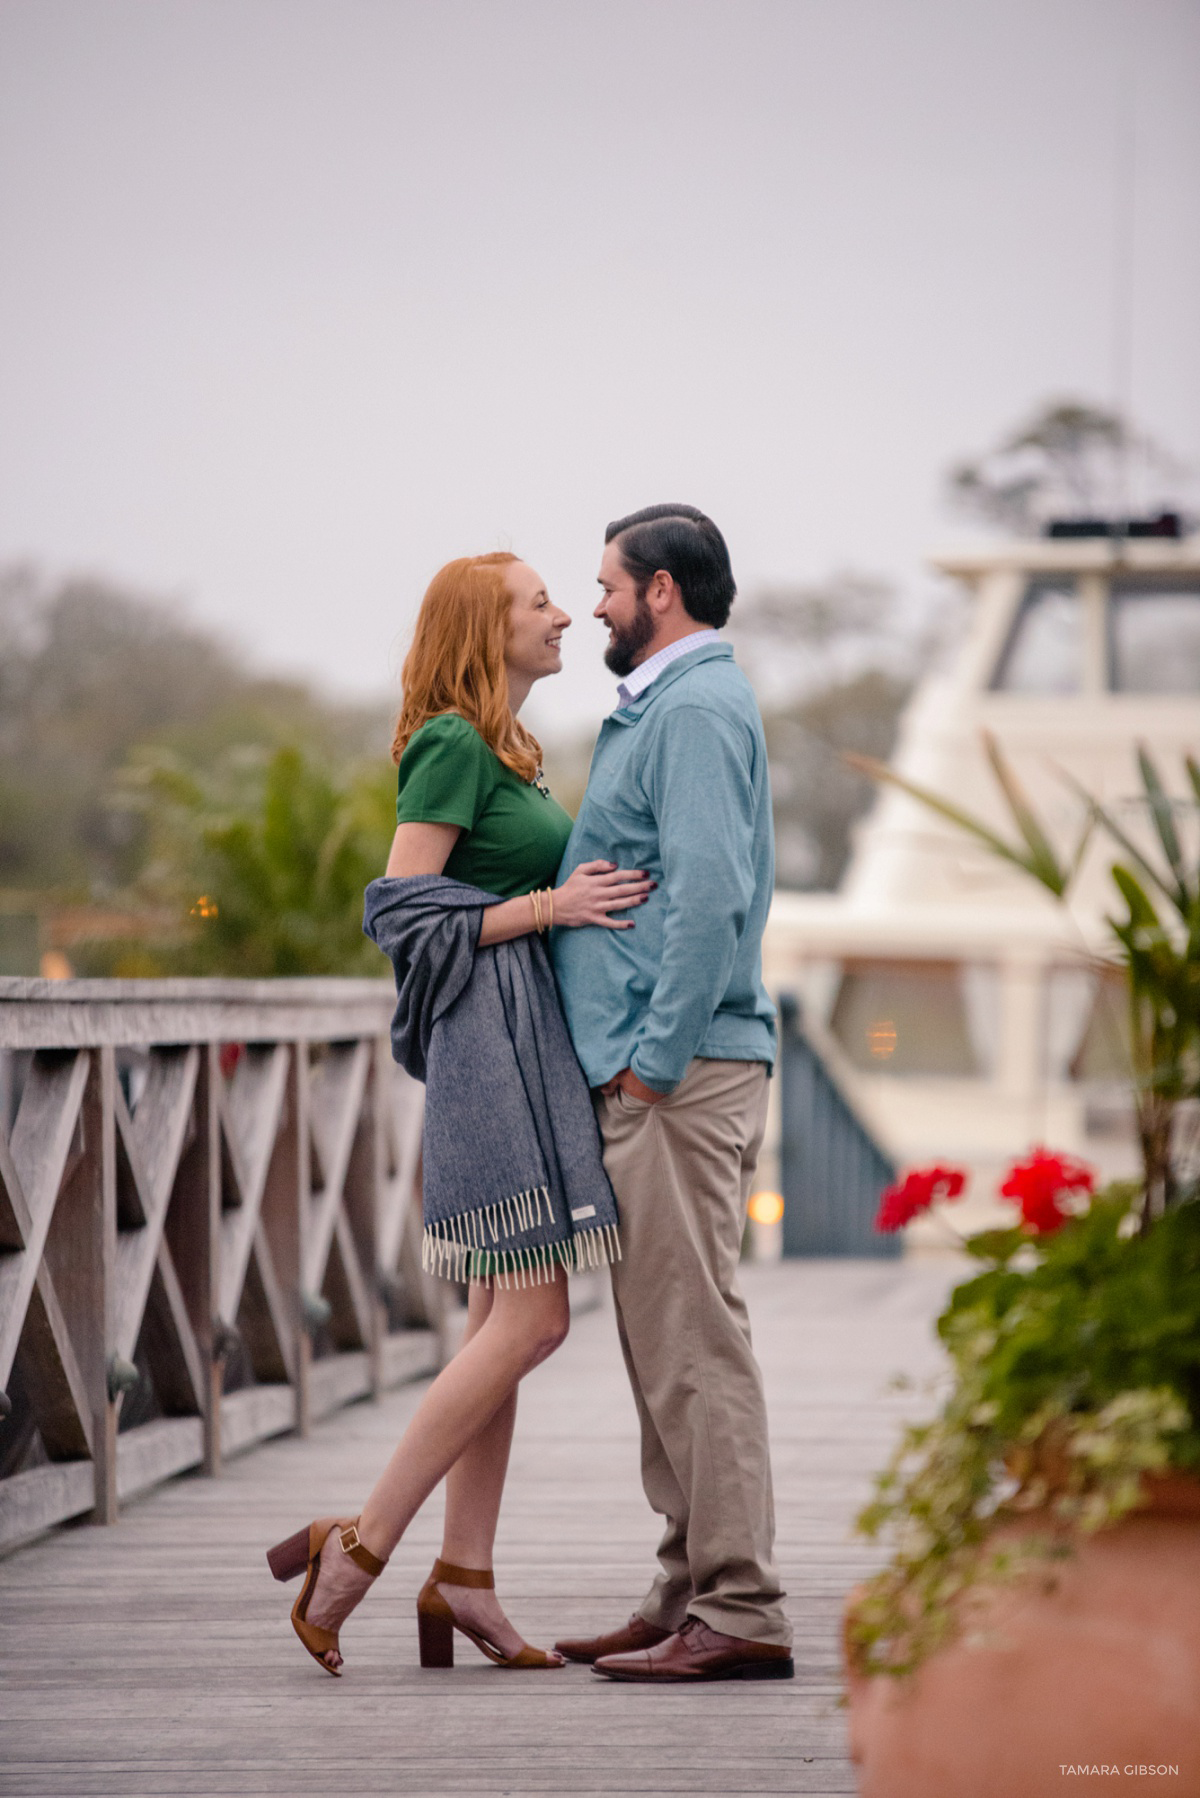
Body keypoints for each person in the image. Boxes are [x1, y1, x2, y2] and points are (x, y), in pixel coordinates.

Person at [266, 551, 651, 1677]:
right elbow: (403, 915)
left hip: (524, 1048)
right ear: (486, 628)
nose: (566, 611)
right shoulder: (448, 743)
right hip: (489, 1061)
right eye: (540, 601)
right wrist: (553, 902)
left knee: (504, 1322)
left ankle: (467, 1577)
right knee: (535, 1323)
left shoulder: (507, 755)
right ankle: (363, 1544)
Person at [551, 504, 794, 1682]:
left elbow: (709, 896)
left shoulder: (694, 706)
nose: (592, 602)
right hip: (665, 1072)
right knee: (665, 1338)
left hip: (680, 1077)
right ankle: (686, 1584)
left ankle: (740, 1608)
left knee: (693, 1340)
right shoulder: (672, 702)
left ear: (659, 591)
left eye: (605, 584)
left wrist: (650, 1059)